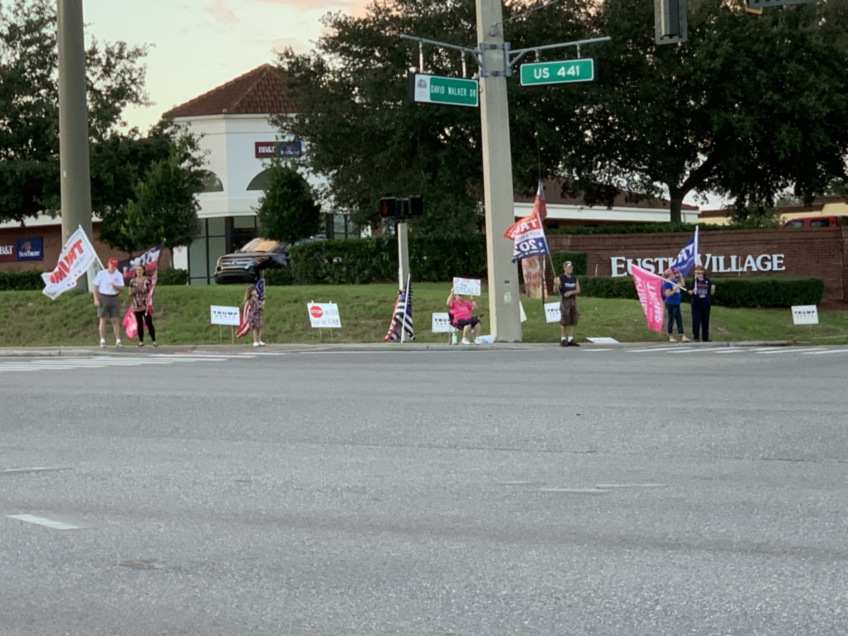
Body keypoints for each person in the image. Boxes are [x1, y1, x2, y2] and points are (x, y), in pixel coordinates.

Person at [92, 257, 125, 348]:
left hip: (114, 297)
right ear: (108, 264)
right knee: (103, 319)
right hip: (104, 297)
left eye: (115, 266)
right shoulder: (102, 273)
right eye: (111, 265)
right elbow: (95, 287)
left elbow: (122, 288)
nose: (113, 267)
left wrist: (115, 286)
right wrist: (96, 299)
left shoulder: (118, 274)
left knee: (115, 319)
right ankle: (102, 340)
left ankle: (118, 340)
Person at [128, 265, 157, 347]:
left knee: (149, 322)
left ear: (143, 271)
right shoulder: (132, 281)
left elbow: (151, 292)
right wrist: (132, 292)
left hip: (145, 304)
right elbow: (129, 293)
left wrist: (150, 292)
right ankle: (141, 341)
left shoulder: (147, 279)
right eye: (137, 270)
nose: (139, 271)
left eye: (140, 270)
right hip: (136, 304)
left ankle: (153, 340)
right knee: (139, 323)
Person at [687, 265, 716, 342]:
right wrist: (692, 291)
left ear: (703, 273)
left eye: (700, 273)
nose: (698, 274)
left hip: (705, 303)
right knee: (696, 320)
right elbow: (689, 291)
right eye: (697, 273)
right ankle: (696, 336)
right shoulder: (694, 281)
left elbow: (711, 292)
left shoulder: (707, 281)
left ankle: (705, 337)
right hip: (696, 303)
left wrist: (713, 290)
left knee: (705, 321)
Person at [555, 260, 581, 346]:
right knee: (564, 319)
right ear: (564, 268)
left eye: (571, 267)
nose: (571, 268)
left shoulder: (574, 278)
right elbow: (555, 290)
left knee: (573, 319)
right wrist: (556, 285)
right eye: (569, 267)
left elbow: (578, 290)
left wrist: (571, 292)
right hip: (564, 300)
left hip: (572, 300)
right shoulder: (560, 278)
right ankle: (563, 339)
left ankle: (570, 338)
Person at [662, 268, 690, 343]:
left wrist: (680, 276)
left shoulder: (674, 281)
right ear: (670, 275)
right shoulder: (666, 283)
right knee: (671, 319)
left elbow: (683, 284)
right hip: (671, 303)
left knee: (679, 319)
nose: (675, 275)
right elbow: (668, 294)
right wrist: (676, 288)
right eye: (674, 274)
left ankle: (682, 335)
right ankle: (670, 335)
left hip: (677, 303)